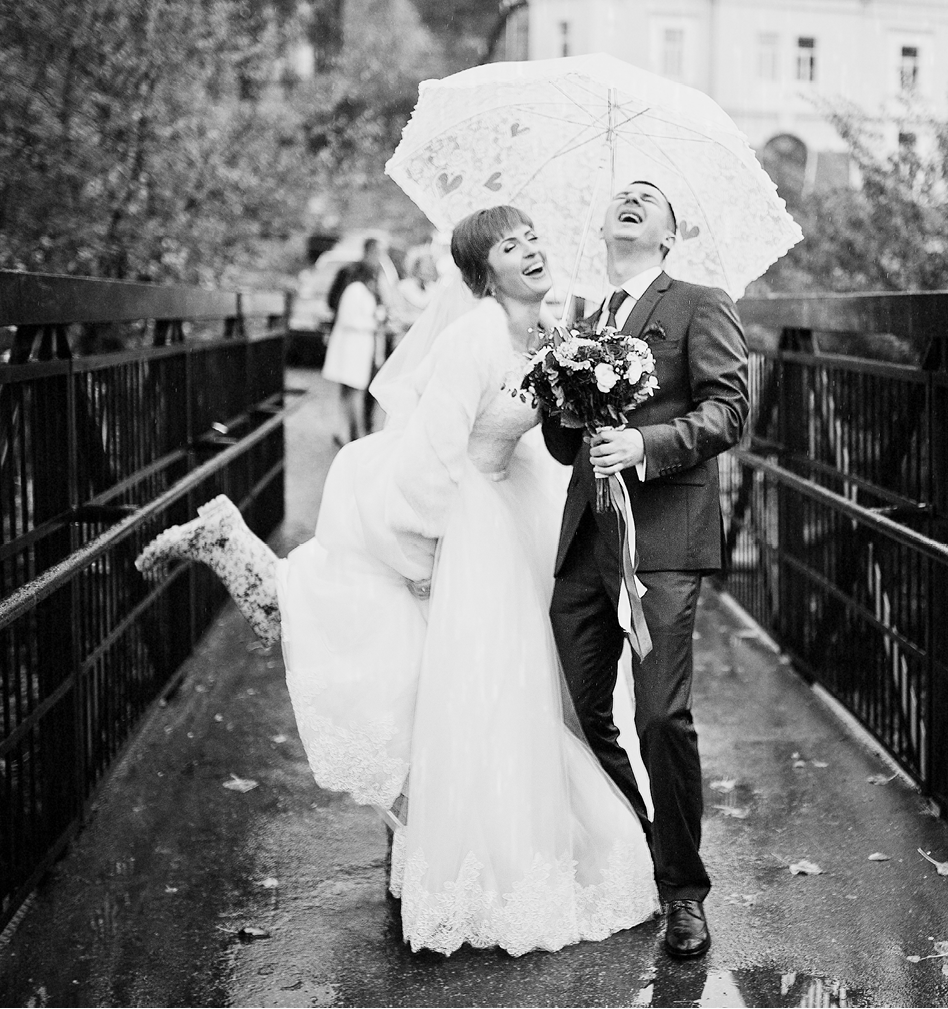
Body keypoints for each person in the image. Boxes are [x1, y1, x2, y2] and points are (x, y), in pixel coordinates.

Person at [136, 206, 659, 957]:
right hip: (454, 522)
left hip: (508, 514)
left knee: (461, 691)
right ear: (483, 275)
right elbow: (432, 457)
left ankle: (435, 848)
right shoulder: (474, 338)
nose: (531, 250)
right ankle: (234, 552)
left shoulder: (548, 337)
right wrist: (420, 560)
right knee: (407, 674)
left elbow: (543, 439)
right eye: (509, 246)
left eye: (533, 238)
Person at [543, 180, 750, 960]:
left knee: (661, 715)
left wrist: (643, 444)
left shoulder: (698, 302)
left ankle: (684, 890)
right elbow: (562, 446)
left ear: (669, 233)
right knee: (578, 712)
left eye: (647, 199)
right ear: (603, 227)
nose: (629, 200)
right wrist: (560, 393)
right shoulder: (582, 319)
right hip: (585, 543)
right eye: (620, 197)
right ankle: (641, 840)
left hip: (662, 538)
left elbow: (729, 409)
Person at [321, 270, 384, 444]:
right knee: (355, 391)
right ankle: (358, 434)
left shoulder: (363, 292)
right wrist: (374, 322)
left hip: (359, 350)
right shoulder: (356, 290)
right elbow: (348, 319)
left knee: (349, 392)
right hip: (352, 350)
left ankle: (345, 432)